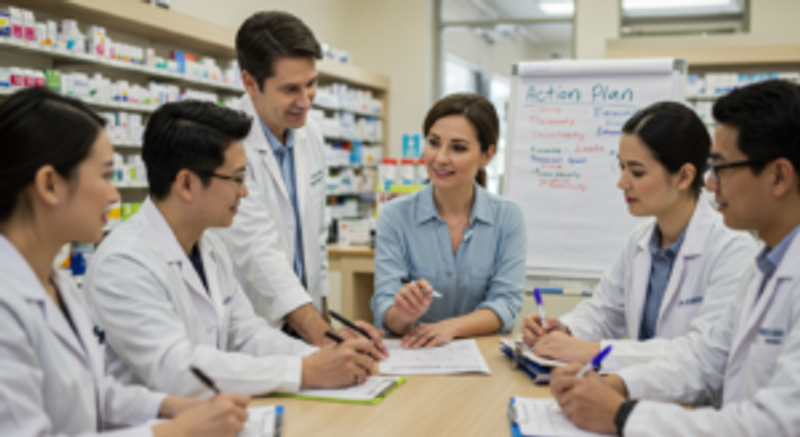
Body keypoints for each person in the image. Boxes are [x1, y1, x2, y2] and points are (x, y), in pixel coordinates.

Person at [549, 80, 800, 436]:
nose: (711, 184)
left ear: (779, 176)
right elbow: (705, 362)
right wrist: (618, 385)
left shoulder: (739, 251)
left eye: (723, 168)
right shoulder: (766, 267)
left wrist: (621, 415)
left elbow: (777, 424)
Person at [85, 101, 382, 398]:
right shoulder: (124, 262)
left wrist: (323, 356)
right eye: (237, 179)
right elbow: (175, 369)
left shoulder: (209, 245)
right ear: (186, 183)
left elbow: (247, 335)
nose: (245, 191)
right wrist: (304, 371)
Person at [0, 88, 249, 436]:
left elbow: (94, 394)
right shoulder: (6, 304)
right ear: (50, 184)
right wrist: (171, 431)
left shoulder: (54, 283)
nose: (114, 195)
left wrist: (170, 407)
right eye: (104, 175)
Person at [521, 101, 756, 372]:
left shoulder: (732, 247)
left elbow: (704, 354)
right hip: (636, 393)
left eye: (637, 172)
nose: (622, 182)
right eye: (621, 167)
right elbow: (605, 311)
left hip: (694, 406)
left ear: (683, 176)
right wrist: (563, 329)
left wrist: (594, 351)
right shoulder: (640, 240)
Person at [216, 10, 384, 349]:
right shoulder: (225, 144)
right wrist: (324, 338)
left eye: (311, 84)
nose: (305, 101)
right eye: (290, 89)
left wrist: (325, 324)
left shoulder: (312, 133)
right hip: (252, 324)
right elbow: (256, 248)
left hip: (304, 322)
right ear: (250, 83)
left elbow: (315, 238)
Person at [371, 93, 526, 348]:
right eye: (434, 143)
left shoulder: (508, 218)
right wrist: (403, 314)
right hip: (416, 354)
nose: (441, 158)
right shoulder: (395, 216)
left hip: (484, 357)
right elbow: (384, 306)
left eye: (458, 148)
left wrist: (450, 328)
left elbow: (506, 303)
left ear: (487, 155)